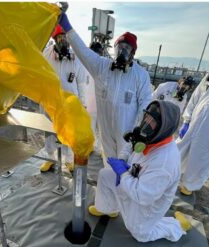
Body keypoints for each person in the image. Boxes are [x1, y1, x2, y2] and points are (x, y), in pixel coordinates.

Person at [89, 100, 192, 242]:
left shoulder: (164, 162)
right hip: (135, 180)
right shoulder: (152, 137)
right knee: (106, 175)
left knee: (140, 233)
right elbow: (130, 147)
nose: (146, 123)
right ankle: (108, 209)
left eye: (152, 121)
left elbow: (142, 195)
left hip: (148, 202)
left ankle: (177, 225)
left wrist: (123, 174)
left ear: (164, 127)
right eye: (147, 117)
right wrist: (123, 160)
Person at [58, 13, 152, 166]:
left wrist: (139, 129)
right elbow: (83, 51)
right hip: (105, 130)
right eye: (120, 47)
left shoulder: (141, 76)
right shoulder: (102, 67)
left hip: (127, 134)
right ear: (114, 48)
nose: (123, 51)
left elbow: (145, 103)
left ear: (133, 53)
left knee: (126, 166)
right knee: (109, 164)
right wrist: (68, 29)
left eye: (127, 48)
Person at [40, 24, 87, 172]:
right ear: (54, 40)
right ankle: (50, 159)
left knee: (69, 132)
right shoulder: (46, 55)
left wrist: (83, 105)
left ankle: (68, 160)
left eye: (65, 38)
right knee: (48, 131)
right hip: (49, 103)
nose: (63, 41)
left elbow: (81, 82)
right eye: (60, 38)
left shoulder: (75, 59)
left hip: (69, 104)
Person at [176, 73, 209, 195]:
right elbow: (195, 98)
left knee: (201, 157)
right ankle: (170, 174)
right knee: (179, 148)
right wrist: (186, 120)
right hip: (194, 122)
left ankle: (189, 185)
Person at [85, 42, 103, 153]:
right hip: (91, 106)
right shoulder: (85, 65)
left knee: (100, 131)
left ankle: (102, 150)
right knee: (92, 129)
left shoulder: (103, 66)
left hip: (100, 106)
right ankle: (92, 148)